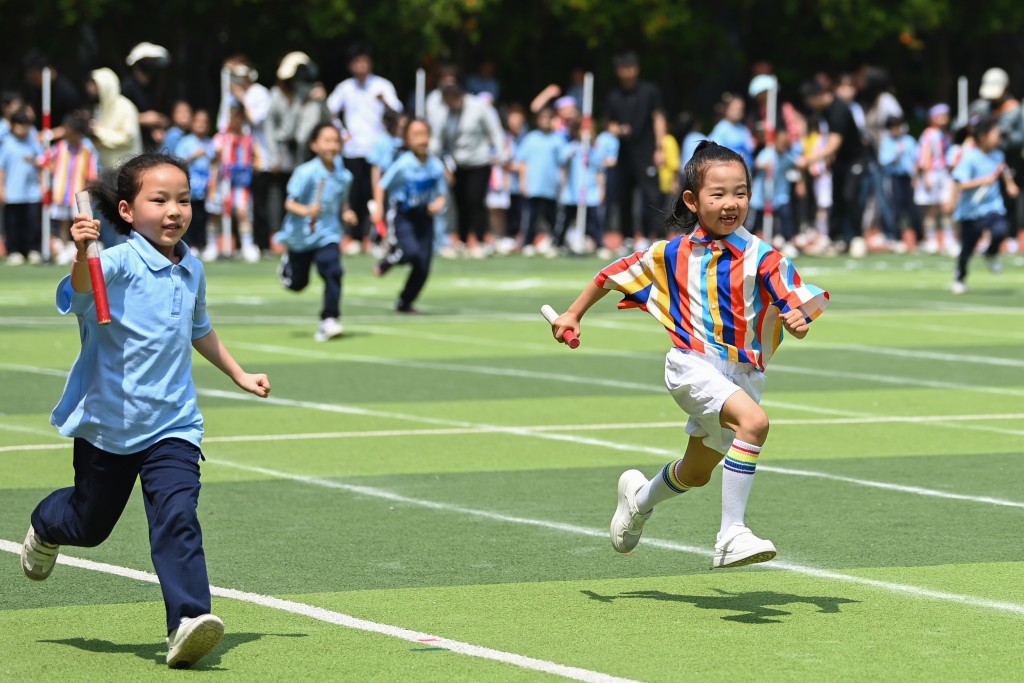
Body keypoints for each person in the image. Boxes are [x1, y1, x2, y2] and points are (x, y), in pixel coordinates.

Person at [19, 151, 271, 669]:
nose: (175, 210)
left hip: (174, 425)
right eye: (160, 200)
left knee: (177, 516)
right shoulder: (113, 263)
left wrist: (239, 373)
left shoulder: (192, 268)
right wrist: (81, 252)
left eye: (183, 199)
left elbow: (199, 329)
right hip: (108, 429)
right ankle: (47, 522)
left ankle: (187, 621)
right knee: (88, 525)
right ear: (129, 211)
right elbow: (82, 291)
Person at [548, 141, 828, 568]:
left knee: (696, 473)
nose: (731, 203)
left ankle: (638, 500)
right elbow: (611, 275)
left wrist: (798, 321)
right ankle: (732, 533)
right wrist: (572, 313)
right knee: (755, 424)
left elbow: (793, 302)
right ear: (693, 201)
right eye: (718, 194)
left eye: (740, 193)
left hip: (742, 375)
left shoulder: (763, 256)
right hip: (691, 364)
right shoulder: (671, 254)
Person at [274, 123, 356, 341]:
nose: (332, 145)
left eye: (336, 140)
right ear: (314, 145)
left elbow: (343, 203)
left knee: (333, 271)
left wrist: (347, 213)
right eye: (327, 140)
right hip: (301, 237)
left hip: (328, 234)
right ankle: (287, 266)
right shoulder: (306, 172)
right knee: (298, 284)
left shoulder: (344, 176)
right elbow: (289, 203)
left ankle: (329, 319)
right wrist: (307, 210)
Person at [326, 43, 403, 255]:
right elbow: (330, 110)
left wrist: (384, 101)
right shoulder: (345, 88)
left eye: (364, 61)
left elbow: (397, 112)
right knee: (354, 193)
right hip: (352, 149)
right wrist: (341, 133)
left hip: (377, 150)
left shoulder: (382, 85)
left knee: (376, 194)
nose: (360, 65)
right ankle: (355, 236)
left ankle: (376, 236)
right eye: (356, 62)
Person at [371, 118, 448, 313]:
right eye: (416, 135)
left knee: (423, 264)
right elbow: (382, 184)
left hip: (424, 217)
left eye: (424, 134)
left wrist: (438, 204)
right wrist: (379, 207)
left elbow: (442, 194)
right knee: (409, 252)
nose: (421, 139)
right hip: (402, 214)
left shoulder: (435, 165)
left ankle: (405, 301)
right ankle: (389, 260)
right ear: (407, 139)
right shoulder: (404, 163)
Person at [427, 81, 505, 257]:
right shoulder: (443, 113)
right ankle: (462, 240)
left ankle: (479, 239)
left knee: (476, 200)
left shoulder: (479, 107)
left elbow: (494, 131)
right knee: (460, 202)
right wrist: (434, 158)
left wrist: (500, 153)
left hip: (479, 161)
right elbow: (438, 141)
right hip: (456, 163)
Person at [950, 117, 1019, 294]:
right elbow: (961, 184)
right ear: (982, 136)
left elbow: (1003, 171)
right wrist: (982, 181)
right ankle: (960, 276)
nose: (999, 138)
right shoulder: (970, 158)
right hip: (972, 211)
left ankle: (991, 252)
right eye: (996, 135)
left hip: (993, 207)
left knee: (1001, 230)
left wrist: (1010, 185)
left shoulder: (998, 155)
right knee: (967, 249)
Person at [800, 79, 869, 254]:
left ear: (818, 96)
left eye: (810, 102)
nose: (811, 107)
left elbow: (834, 142)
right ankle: (835, 238)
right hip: (840, 161)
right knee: (836, 198)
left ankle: (856, 237)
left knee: (849, 196)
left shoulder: (839, 109)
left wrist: (809, 159)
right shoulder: (825, 111)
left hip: (855, 159)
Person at [606, 50, 666, 249]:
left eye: (631, 67)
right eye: (623, 68)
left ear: (637, 69)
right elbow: (608, 123)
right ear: (618, 71)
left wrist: (660, 147)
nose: (628, 72)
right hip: (624, 154)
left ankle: (657, 237)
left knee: (652, 195)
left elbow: (658, 118)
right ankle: (629, 237)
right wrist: (618, 130)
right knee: (623, 197)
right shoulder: (614, 96)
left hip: (647, 151)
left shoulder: (650, 91)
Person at [208, 103, 260, 262]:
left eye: (239, 117)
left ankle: (247, 245)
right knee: (216, 214)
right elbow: (212, 159)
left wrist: (254, 166)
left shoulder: (248, 139)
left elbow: (258, 159)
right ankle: (212, 246)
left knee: (242, 213)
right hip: (222, 181)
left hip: (241, 183)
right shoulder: (221, 138)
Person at [47, 111, 99, 264]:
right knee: (62, 220)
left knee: (80, 221)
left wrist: (90, 190)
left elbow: (92, 171)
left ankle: (79, 249)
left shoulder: (87, 148)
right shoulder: (60, 147)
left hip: (79, 192)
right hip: (62, 190)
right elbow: (47, 161)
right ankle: (63, 248)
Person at [515, 106, 564, 256]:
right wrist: (523, 182)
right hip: (533, 186)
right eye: (542, 118)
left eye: (548, 119)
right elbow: (522, 162)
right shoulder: (530, 138)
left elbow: (563, 162)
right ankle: (528, 242)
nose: (545, 122)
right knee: (531, 217)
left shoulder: (558, 139)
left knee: (552, 217)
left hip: (550, 186)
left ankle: (556, 242)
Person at [553, 117, 605, 253]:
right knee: (565, 219)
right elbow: (561, 161)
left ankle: (599, 244)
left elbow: (600, 170)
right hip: (572, 192)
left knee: (593, 221)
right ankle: (557, 243)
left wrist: (601, 190)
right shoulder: (572, 147)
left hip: (590, 192)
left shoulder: (594, 150)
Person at [0, 108, 44, 264]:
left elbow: (41, 164)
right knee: (13, 224)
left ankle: (32, 250)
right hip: (12, 192)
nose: (22, 128)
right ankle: (14, 251)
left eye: (25, 125)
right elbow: (2, 168)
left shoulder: (33, 142)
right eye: (19, 125)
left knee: (32, 223)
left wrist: (43, 185)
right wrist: (1, 188)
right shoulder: (7, 144)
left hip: (32, 191)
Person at [914, 104, 955, 254]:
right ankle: (931, 240)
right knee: (931, 210)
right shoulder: (929, 134)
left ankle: (949, 240)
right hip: (932, 172)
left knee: (947, 207)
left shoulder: (946, 134)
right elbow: (925, 154)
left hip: (944, 173)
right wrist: (926, 175)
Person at [175, 109, 216, 258]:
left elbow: (215, 164)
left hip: (206, 189)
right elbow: (178, 162)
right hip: (190, 189)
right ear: (192, 124)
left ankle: (203, 244)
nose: (201, 125)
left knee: (203, 218)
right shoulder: (186, 142)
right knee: (188, 218)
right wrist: (193, 156)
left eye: (204, 123)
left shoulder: (210, 143)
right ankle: (190, 245)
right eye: (198, 122)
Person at [877, 116, 921, 249]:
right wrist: (896, 155)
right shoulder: (887, 142)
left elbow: (916, 160)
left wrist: (916, 176)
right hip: (894, 177)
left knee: (912, 208)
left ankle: (919, 238)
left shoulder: (909, 141)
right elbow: (884, 161)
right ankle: (895, 237)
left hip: (908, 177)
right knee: (896, 207)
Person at [122, 42, 172, 150]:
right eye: (147, 61)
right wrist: (140, 119)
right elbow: (118, 117)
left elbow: (165, 113)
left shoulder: (157, 86)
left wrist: (159, 124)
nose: (150, 65)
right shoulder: (127, 87)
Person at [709, 93, 755, 169]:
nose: (738, 112)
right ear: (727, 109)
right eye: (735, 109)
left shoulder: (744, 129)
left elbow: (750, 149)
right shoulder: (721, 128)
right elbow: (714, 152)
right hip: (728, 171)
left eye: (741, 109)